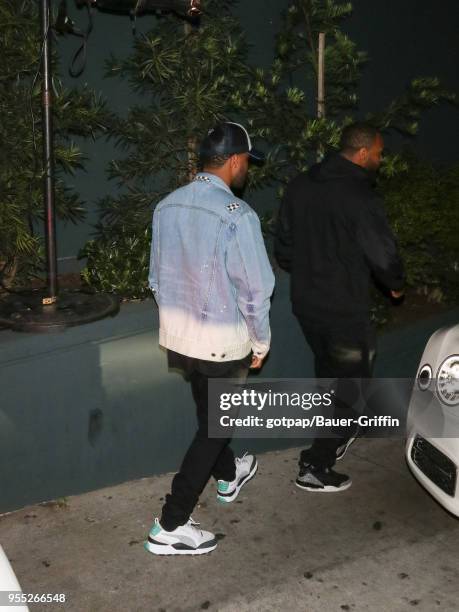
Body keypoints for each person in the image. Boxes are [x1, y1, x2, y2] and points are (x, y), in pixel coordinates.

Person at [146, 122, 275, 555]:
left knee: (210, 415)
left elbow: (155, 280)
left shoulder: (166, 206)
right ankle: (171, 523)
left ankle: (228, 475)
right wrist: (261, 342)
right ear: (236, 160)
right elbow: (256, 290)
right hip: (223, 342)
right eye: (247, 164)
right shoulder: (238, 216)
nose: (248, 173)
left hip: (181, 338)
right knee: (217, 427)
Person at [275, 123, 404, 493]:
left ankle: (336, 430)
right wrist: (395, 284)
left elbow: (283, 242)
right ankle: (315, 464)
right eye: (378, 153)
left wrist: (304, 270)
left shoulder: (301, 184)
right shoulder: (359, 197)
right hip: (344, 311)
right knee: (353, 384)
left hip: (308, 305)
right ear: (362, 153)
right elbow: (382, 251)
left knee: (331, 376)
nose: (380, 159)